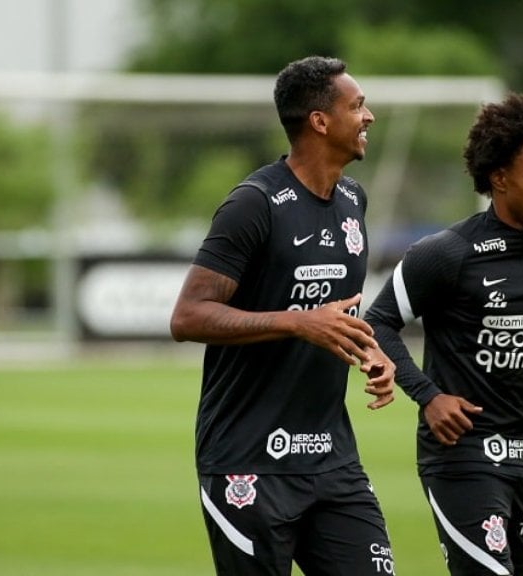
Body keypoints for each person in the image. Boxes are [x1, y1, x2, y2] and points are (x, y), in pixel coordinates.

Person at [170, 56, 397, 576]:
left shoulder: (352, 199)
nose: (369, 117)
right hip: (247, 462)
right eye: (357, 105)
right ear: (320, 121)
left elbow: (333, 310)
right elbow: (187, 317)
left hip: (332, 457)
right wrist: (296, 322)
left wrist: (369, 350)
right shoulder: (255, 203)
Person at [364, 93, 523, 576]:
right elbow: (378, 321)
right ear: (499, 178)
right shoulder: (446, 253)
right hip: (461, 451)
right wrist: (428, 397)